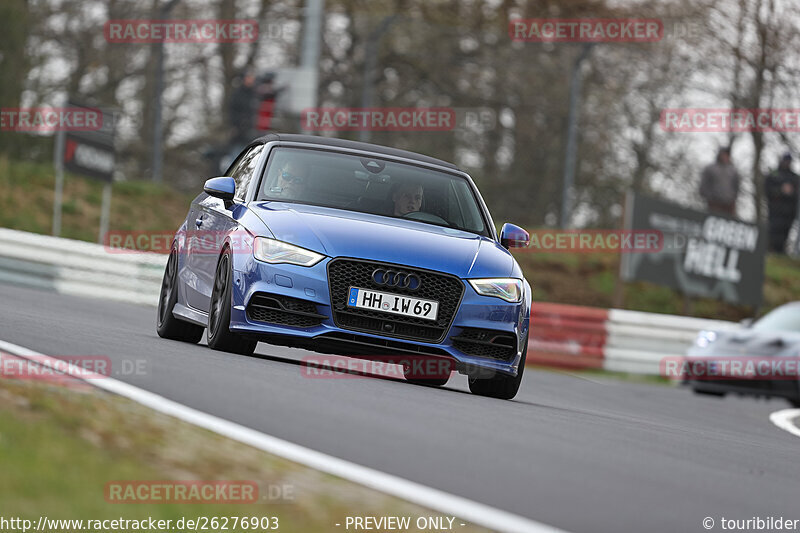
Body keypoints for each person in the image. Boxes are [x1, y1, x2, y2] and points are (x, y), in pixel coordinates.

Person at [765, 153, 799, 253]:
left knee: (785, 236)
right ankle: (771, 251)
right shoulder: (774, 174)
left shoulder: (794, 177)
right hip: (775, 212)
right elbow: (768, 191)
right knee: (774, 235)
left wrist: (791, 192)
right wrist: (781, 190)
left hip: (789, 214)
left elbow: (797, 195)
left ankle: (780, 253)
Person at [699, 147, 741, 217]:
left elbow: (736, 186)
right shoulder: (710, 168)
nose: (725, 157)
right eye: (724, 154)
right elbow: (704, 185)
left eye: (727, 155)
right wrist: (710, 197)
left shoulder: (733, 170)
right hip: (714, 204)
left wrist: (733, 198)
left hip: (729, 204)